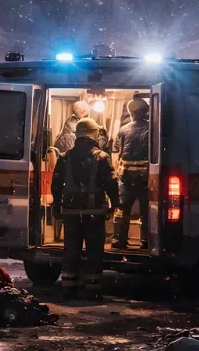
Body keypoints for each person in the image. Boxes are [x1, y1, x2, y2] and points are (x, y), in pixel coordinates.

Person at [50, 117, 119, 300]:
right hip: (94, 212)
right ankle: (93, 290)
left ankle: (68, 287)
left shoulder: (65, 157)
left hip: (71, 211)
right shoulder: (102, 157)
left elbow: (56, 184)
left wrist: (56, 204)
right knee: (94, 251)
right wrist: (115, 203)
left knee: (71, 249)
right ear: (94, 135)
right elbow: (111, 183)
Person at [113, 99, 151, 250]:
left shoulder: (123, 129)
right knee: (147, 211)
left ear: (131, 112)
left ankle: (119, 240)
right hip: (146, 178)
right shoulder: (152, 129)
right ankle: (146, 240)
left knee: (122, 209)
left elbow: (119, 153)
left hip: (126, 176)